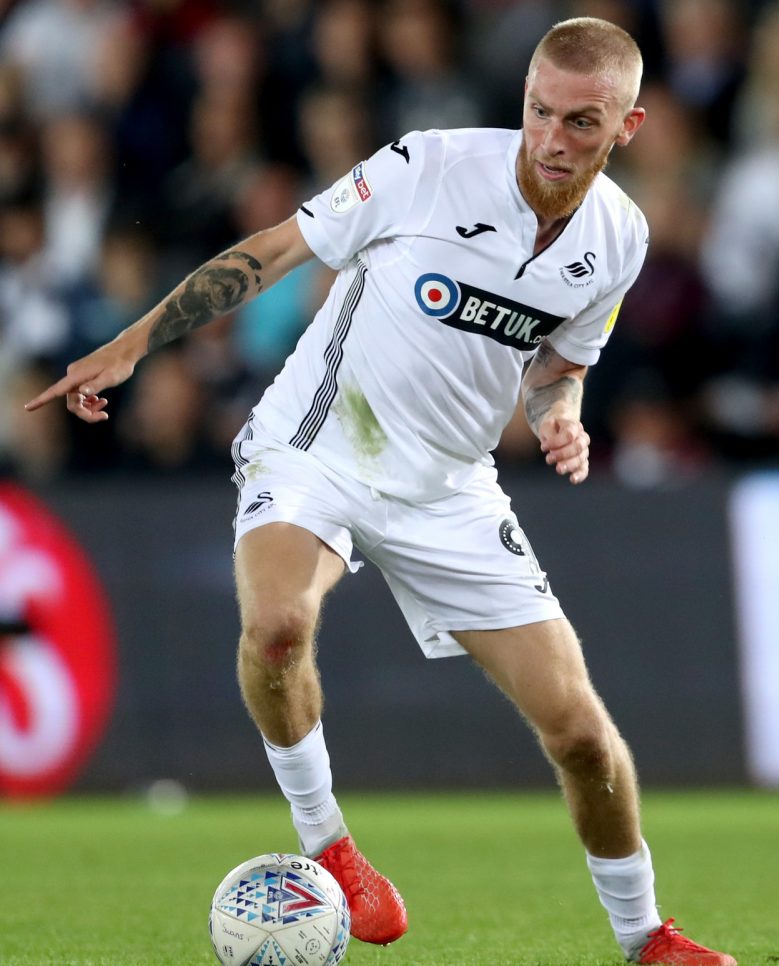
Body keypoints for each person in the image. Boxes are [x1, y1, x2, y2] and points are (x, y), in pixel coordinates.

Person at [25, 17, 736, 966]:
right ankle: (330, 846)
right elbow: (276, 250)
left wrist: (560, 412)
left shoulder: (620, 237)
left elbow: (563, 362)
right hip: (318, 445)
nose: (551, 139)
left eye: (581, 122)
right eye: (539, 111)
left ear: (628, 127)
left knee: (580, 733)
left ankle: (647, 937)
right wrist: (130, 345)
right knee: (278, 627)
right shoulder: (429, 165)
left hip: (449, 488)